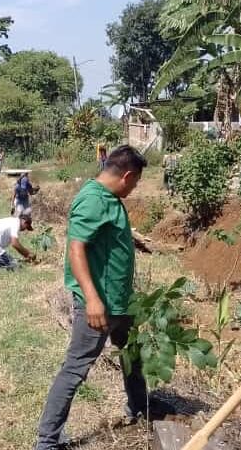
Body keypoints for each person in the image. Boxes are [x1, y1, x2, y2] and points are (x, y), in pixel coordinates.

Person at [36, 145, 167, 449]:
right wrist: (93, 300)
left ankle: (138, 405)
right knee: (75, 368)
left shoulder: (108, 198)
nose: (134, 189)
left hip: (121, 302)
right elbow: (76, 249)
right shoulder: (94, 200)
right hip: (101, 305)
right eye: (135, 183)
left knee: (131, 354)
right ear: (127, 175)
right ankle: (47, 441)